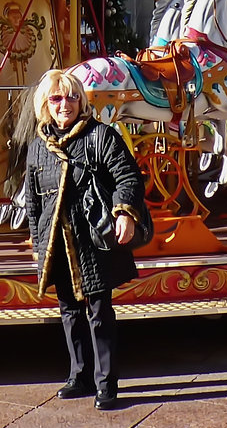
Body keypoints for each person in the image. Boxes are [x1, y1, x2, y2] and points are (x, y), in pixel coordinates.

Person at [22, 69, 146, 410]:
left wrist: (124, 212)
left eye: (72, 97)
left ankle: (106, 382)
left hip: (91, 240)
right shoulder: (38, 147)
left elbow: (128, 176)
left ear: (82, 101)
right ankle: (79, 375)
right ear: (46, 105)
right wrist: (37, 244)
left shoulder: (100, 136)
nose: (66, 105)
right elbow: (33, 201)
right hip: (57, 242)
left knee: (98, 310)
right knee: (68, 310)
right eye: (57, 98)